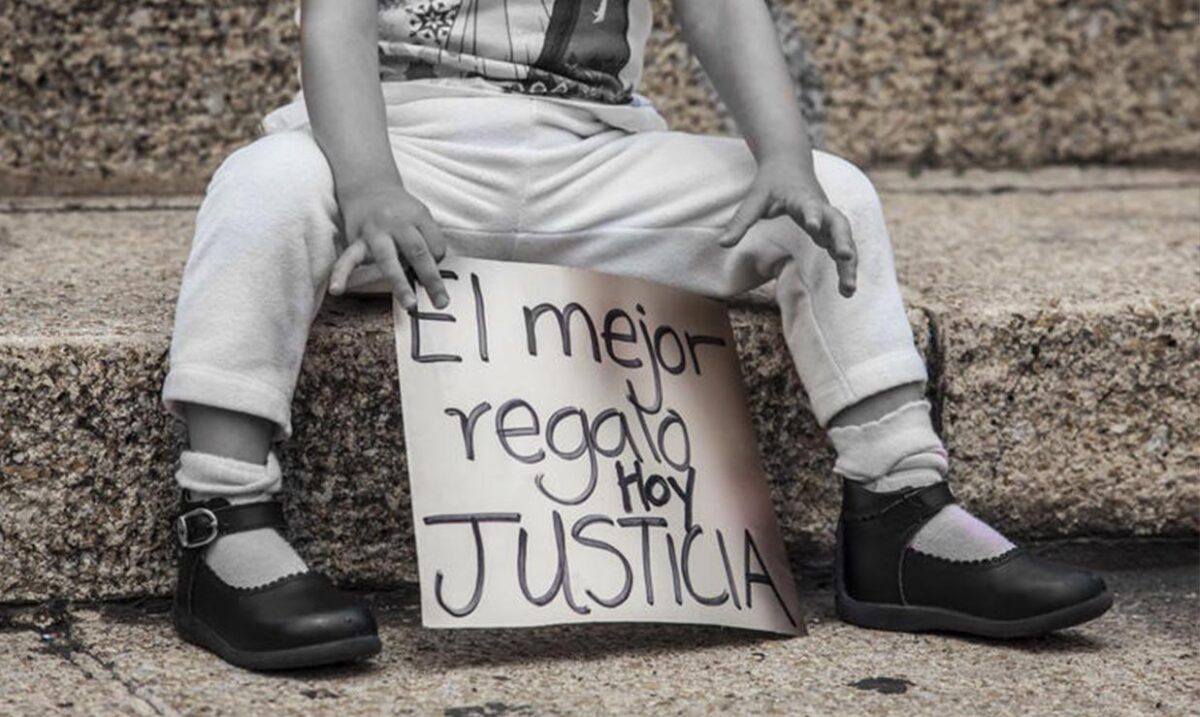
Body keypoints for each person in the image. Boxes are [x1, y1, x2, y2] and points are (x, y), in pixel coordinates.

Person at [164, 0, 1112, 671]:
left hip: (594, 159)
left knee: (836, 196)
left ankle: (899, 509)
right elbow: (332, 22)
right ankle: (226, 518)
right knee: (264, 183)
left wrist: (784, 158)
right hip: (403, 158)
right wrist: (369, 184)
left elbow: (721, 11)